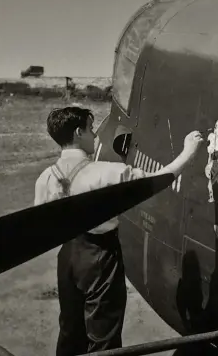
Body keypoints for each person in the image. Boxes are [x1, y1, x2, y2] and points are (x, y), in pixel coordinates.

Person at [34, 106, 203, 356]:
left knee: (70, 328)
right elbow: (156, 181)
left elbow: (40, 224)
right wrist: (189, 151)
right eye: (91, 130)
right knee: (104, 333)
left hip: (68, 256)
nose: (96, 136)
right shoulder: (106, 173)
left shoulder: (45, 178)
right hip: (100, 257)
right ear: (79, 133)